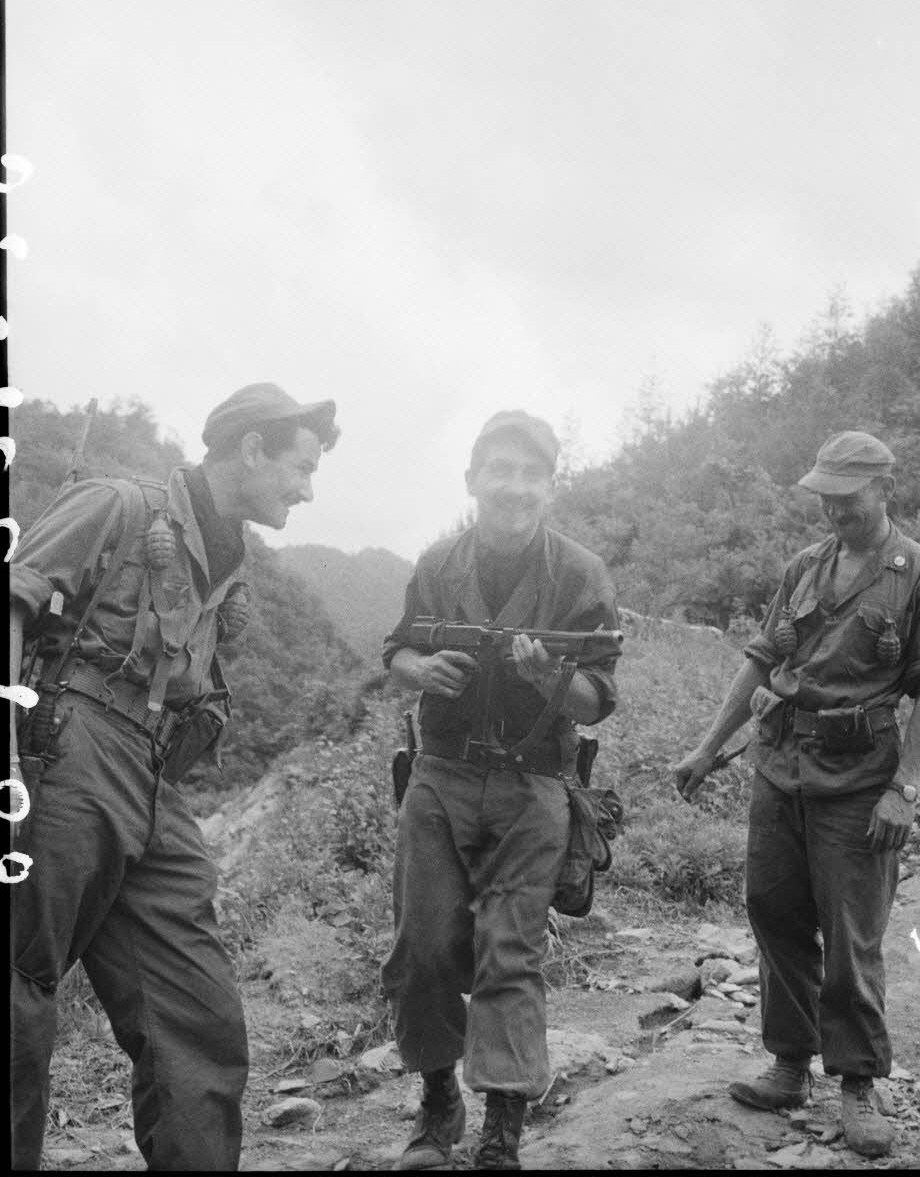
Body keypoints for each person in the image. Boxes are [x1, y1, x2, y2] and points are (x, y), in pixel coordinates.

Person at [9, 383, 339, 1171]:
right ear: (250, 449)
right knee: (19, 992)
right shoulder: (120, 504)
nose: (307, 488)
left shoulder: (227, 555)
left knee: (197, 1019)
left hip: (154, 780)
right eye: (300, 466)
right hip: (67, 753)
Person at [672, 431, 920, 1160]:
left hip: (859, 779)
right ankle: (790, 1064)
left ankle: (858, 1083)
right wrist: (707, 747)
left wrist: (906, 788)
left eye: (848, 497)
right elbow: (762, 663)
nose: (834, 511)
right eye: (825, 498)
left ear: (883, 489)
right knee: (774, 911)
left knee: (851, 933)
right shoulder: (804, 567)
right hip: (780, 765)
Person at [380, 409, 620, 1172]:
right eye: (500, 471)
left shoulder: (580, 574)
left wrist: (548, 674)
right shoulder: (439, 564)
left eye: (530, 474)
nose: (513, 488)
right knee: (421, 948)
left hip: (532, 787)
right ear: (473, 480)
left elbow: (596, 698)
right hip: (439, 778)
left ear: (549, 487)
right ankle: (436, 1098)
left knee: (507, 955)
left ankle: (502, 1131)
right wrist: (420, 669)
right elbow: (397, 651)